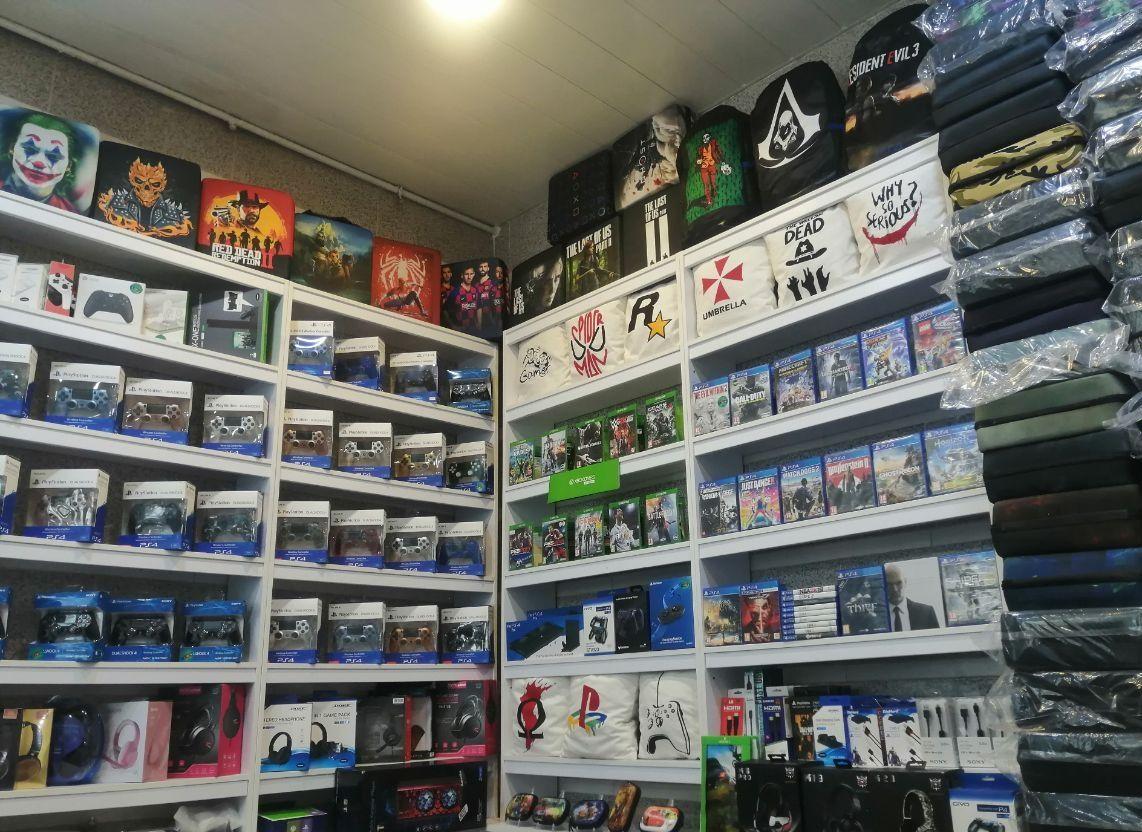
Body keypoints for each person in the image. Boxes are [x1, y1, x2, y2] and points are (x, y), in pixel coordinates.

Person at [885, 563, 939, 631]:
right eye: (889, 584)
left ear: (905, 582)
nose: (895, 589)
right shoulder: (876, 617)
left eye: (899, 583)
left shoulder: (927, 613)